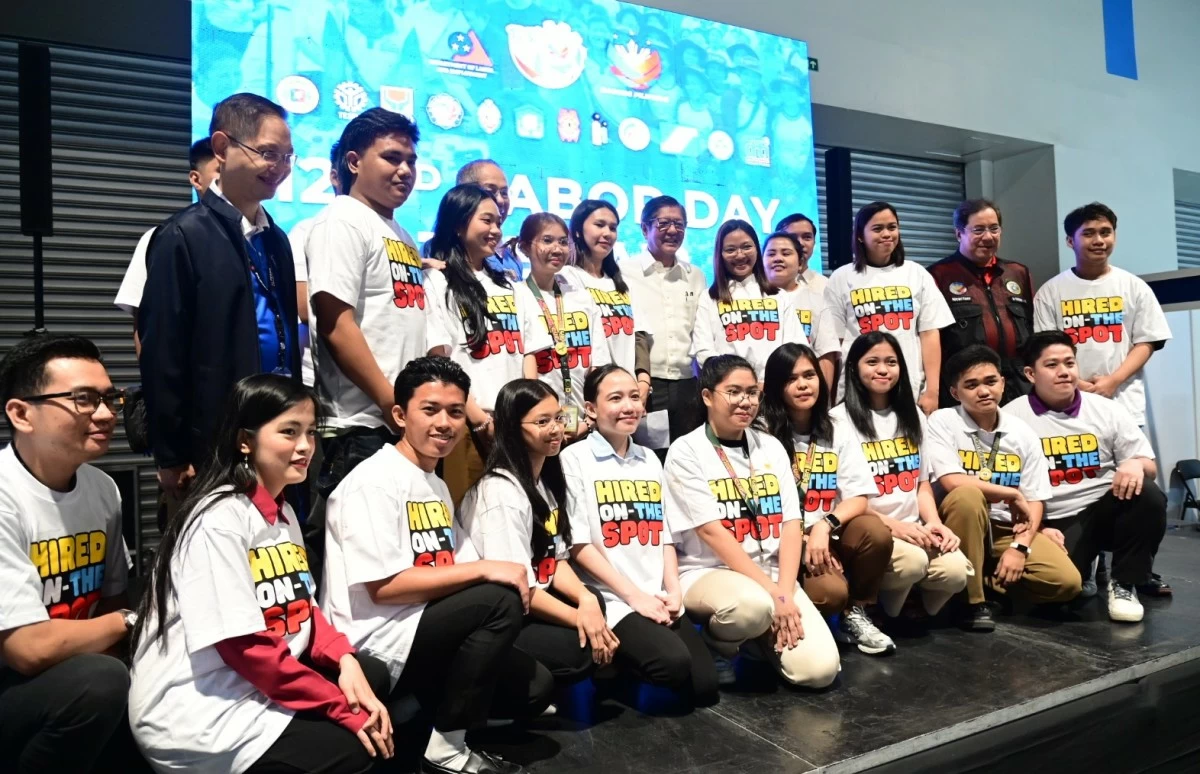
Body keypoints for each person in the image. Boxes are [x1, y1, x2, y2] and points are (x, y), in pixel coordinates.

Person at [128, 374, 394, 774]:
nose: (305, 446)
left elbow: (301, 605)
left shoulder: (282, 510)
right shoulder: (219, 520)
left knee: (370, 676)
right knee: (354, 747)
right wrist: (339, 707)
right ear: (244, 441)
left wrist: (344, 658)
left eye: (310, 432)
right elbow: (244, 646)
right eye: (289, 432)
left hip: (251, 680)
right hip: (201, 709)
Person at [321, 357, 549, 774]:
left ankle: (417, 709)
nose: (444, 423)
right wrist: (487, 570)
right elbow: (385, 588)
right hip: (377, 638)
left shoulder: (436, 484)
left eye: (456, 412)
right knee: (497, 600)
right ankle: (446, 749)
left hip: (422, 624)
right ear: (399, 415)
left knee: (536, 688)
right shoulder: (373, 481)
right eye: (430, 410)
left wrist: (491, 569)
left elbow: (463, 562)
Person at [139, 93, 302, 501]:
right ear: (222, 147)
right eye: (268, 153)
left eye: (287, 157)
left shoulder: (277, 239)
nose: (280, 168)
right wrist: (171, 454)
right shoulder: (182, 235)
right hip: (213, 441)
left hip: (276, 432)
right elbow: (163, 351)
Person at [0, 334, 137, 773]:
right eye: (83, 399)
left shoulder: (103, 488)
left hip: (71, 667)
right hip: (14, 681)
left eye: (109, 398)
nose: (105, 414)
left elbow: (112, 597)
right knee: (100, 681)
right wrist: (132, 621)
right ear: (21, 414)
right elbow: (27, 649)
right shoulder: (5, 495)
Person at [663, 355, 839, 689]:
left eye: (752, 392)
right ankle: (720, 644)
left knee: (819, 672)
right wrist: (772, 595)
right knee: (750, 607)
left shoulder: (770, 446)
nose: (746, 401)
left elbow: (791, 523)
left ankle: (758, 640)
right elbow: (711, 532)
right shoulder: (686, 451)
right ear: (707, 396)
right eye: (734, 392)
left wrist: (784, 592)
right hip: (710, 571)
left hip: (772, 574)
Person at [561, 365, 719, 703]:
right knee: (672, 664)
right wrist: (634, 597)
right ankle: (612, 662)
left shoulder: (649, 458)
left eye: (635, 396)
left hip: (654, 595)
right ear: (591, 409)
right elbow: (579, 546)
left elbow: (665, 535)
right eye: (615, 398)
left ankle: (630, 651)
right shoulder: (573, 459)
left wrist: (673, 591)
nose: (629, 406)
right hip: (613, 598)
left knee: (705, 687)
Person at [307, 108, 434, 500]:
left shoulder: (402, 234)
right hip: (359, 427)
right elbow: (335, 323)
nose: (405, 170)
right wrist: (388, 400)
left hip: (400, 421)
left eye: (411, 161)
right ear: (354, 162)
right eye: (392, 158)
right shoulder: (342, 219)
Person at [455, 379, 615, 686]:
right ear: (512, 428)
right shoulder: (501, 492)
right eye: (542, 422)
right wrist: (580, 619)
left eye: (559, 417)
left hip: (532, 598)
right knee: (580, 648)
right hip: (504, 613)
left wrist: (585, 600)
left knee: (594, 599)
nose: (556, 429)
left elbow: (556, 560)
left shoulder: (544, 481)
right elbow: (519, 588)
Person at [1005, 331, 1165, 622]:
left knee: (1148, 494)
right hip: (1053, 521)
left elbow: (1149, 466)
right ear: (1030, 373)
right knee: (1059, 593)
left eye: (1069, 363)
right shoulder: (1011, 418)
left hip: (1104, 509)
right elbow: (1005, 487)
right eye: (1052, 365)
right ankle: (1087, 565)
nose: (1064, 372)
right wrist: (1038, 528)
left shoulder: (1107, 409)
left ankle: (1124, 583)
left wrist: (1135, 464)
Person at [926, 345, 1082, 631]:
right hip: (958, 524)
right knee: (968, 496)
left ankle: (985, 581)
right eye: (971, 385)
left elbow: (1035, 500)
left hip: (1006, 527)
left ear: (1002, 382)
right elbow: (951, 481)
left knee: (1066, 583)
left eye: (990, 381)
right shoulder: (943, 421)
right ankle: (970, 603)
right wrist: (1011, 493)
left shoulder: (1022, 432)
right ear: (955, 393)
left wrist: (1020, 547)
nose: (984, 391)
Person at [759, 344, 896, 654]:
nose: (803, 385)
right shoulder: (761, 434)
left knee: (875, 532)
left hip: (824, 535)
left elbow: (859, 497)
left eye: (809, 375)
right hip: (783, 540)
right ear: (775, 386)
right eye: (791, 379)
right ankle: (806, 618)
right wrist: (804, 538)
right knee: (830, 594)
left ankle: (855, 613)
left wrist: (823, 526)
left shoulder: (836, 429)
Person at [832, 331, 972, 621]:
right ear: (854, 367)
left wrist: (934, 523)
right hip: (870, 531)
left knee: (957, 572)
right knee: (912, 563)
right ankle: (882, 610)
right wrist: (895, 526)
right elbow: (845, 500)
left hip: (913, 527)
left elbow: (922, 485)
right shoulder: (837, 420)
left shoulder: (913, 415)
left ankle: (905, 605)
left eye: (891, 362)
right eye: (872, 362)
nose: (883, 369)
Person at [426, 185, 552, 504]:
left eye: (498, 222)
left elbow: (529, 351)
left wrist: (526, 411)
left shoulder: (511, 285)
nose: (496, 230)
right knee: (469, 515)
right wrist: (481, 422)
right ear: (458, 224)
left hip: (514, 425)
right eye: (486, 220)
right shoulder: (439, 282)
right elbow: (443, 362)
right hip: (468, 426)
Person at [1033, 202, 1171, 428]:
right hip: (1068, 405)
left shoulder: (1134, 286)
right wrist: (1078, 384)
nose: (1099, 240)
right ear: (1070, 241)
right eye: (1088, 233)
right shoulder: (1050, 291)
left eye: (1105, 232)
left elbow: (1147, 341)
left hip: (1124, 404)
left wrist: (1113, 381)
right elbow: (1045, 348)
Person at [824, 201, 953, 412]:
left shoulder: (916, 273)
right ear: (860, 235)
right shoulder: (841, 277)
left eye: (892, 227)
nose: (887, 234)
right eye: (877, 229)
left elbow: (929, 333)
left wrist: (932, 391)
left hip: (909, 386)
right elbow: (833, 343)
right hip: (856, 388)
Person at [115, 138, 221, 356]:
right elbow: (145, 323)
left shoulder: (261, 235)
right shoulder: (165, 235)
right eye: (219, 171)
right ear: (196, 179)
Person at [619, 196, 708, 451]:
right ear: (644, 228)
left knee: (688, 454)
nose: (672, 230)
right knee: (650, 453)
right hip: (646, 383)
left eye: (679, 224)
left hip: (687, 383)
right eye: (663, 223)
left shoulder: (695, 275)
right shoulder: (624, 272)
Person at [928, 199, 1035, 406]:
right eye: (978, 230)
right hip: (967, 386)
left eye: (994, 229)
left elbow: (1033, 329)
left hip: (1018, 385)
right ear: (959, 234)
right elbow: (931, 339)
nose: (988, 236)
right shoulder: (938, 275)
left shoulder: (1018, 273)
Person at [517, 212, 611, 440]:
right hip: (539, 426)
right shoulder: (516, 295)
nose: (557, 249)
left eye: (562, 242)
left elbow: (598, 363)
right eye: (547, 240)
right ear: (525, 247)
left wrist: (589, 421)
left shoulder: (582, 297)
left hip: (584, 422)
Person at [691, 220, 809, 381]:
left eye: (746, 247)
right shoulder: (709, 297)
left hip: (773, 388)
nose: (740, 255)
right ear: (720, 254)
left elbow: (794, 347)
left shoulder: (780, 296)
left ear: (757, 249)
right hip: (729, 389)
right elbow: (704, 351)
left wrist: (771, 383)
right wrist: (736, 384)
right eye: (730, 249)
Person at [564, 199, 650, 382]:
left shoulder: (623, 282)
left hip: (627, 386)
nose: (607, 233)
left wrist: (643, 379)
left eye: (612, 228)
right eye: (599, 225)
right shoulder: (566, 277)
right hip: (588, 386)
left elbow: (639, 335)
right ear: (578, 230)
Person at [289, 141, 344, 388]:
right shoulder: (306, 230)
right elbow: (303, 307)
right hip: (320, 377)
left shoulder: (396, 234)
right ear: (334, 177)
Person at [763, 230, 840, 386]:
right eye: (771, 254)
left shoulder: (817, 301)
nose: (778, 258)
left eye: (786, 253)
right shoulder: (750, 300)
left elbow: (825, 353)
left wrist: (822, 396)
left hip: (802, 388)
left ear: (800, 264)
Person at [456, 160, 521, 280]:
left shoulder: (512, 257)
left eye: (504, 193)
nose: (500, 200)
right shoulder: (439, 252)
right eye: (490, 192)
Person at [774, 212, 826, 294]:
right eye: (793, 237)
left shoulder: (826, 286)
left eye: (807, 237)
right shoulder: (762, 286)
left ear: (814, 242)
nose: (800, 243)